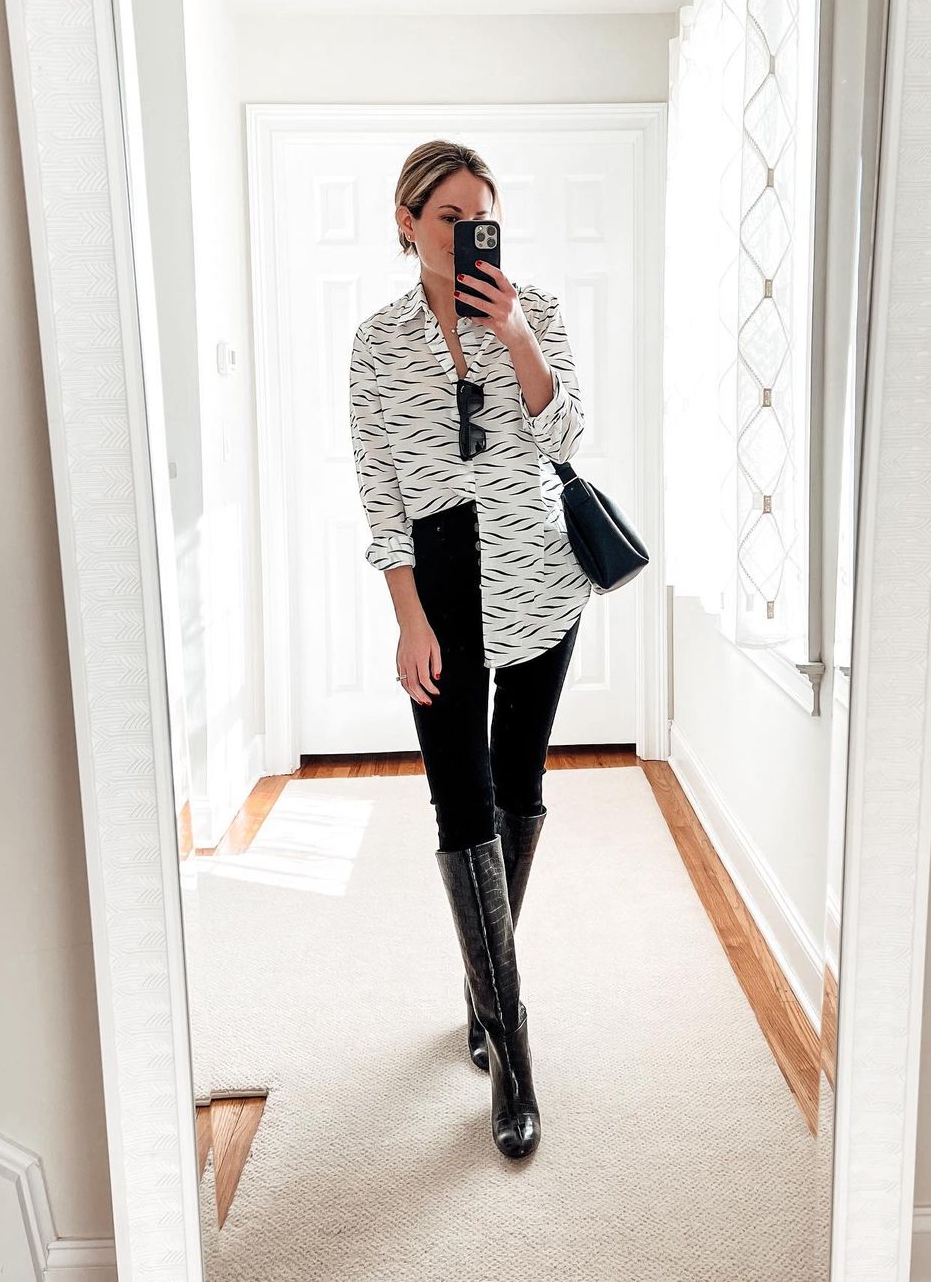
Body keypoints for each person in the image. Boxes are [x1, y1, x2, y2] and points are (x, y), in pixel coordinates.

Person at [347, 139, 593, 1160]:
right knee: (459, 802)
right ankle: (513, 1046)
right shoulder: (376, 343)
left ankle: (483, 996)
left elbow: (566, 440)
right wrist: (409, 617)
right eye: (448, 216)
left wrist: (517, 333)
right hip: (439, 591)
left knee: (516, 789)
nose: (467, 233)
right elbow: (381, 491)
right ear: (408, 222)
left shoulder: (534, 309)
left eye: (481, 216)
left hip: (538, 579)